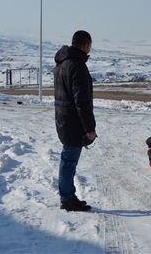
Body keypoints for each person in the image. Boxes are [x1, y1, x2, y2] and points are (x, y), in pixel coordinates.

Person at [53, 30, 96, 212]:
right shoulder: (77, 66)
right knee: (69, 160)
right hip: (73, 122)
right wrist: (90, 128)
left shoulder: (61, 64)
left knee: (67, 159)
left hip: (63, 119)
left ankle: (67, 196)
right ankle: (67, 198)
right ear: (86, 45)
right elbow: (82, 101)